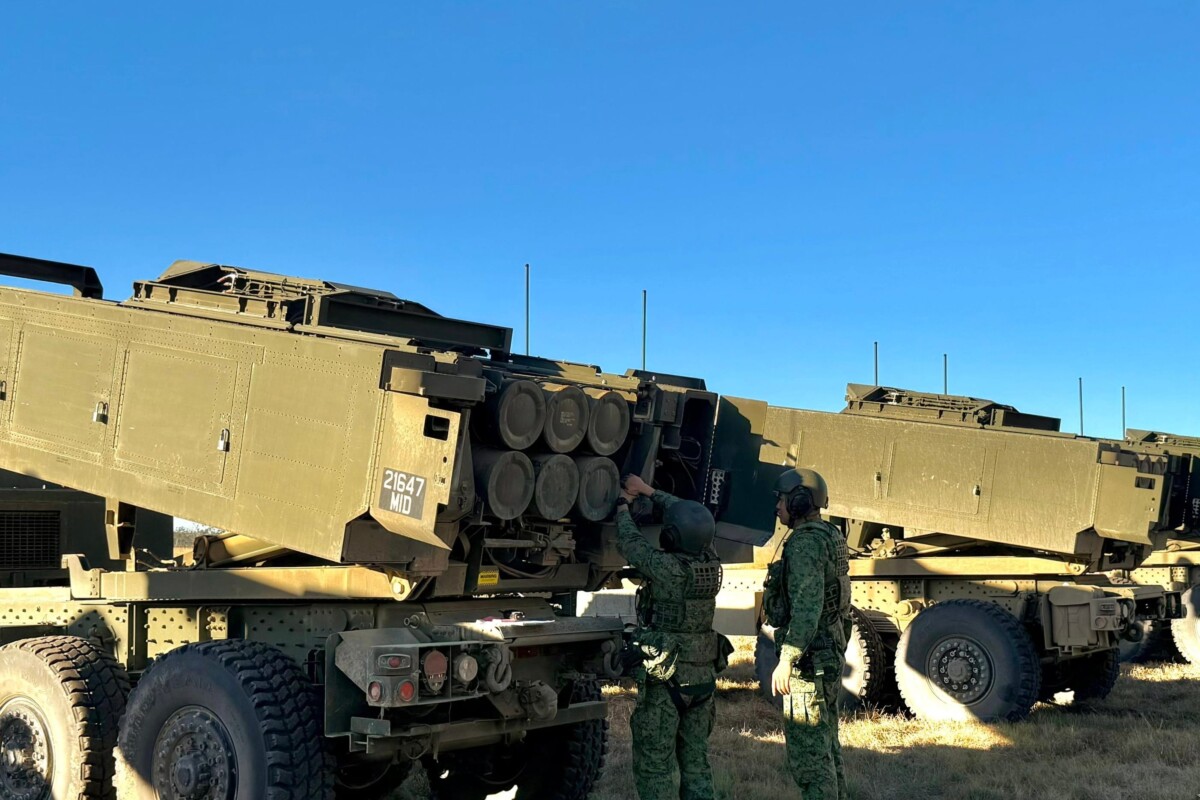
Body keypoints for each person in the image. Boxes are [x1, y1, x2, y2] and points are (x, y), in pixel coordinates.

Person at [615, 473, 728, 800]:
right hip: (703, 679)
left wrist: (623, 505)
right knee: (696, 763)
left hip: (668, 679)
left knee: (655, 766)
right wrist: (648, 490)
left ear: (672, 536)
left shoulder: (667, 569)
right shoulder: (710, 561)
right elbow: (693, 515)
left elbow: (631, 543)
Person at [763, 468, 851, 800]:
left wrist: (787, 659)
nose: (778, 507)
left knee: (810, 759)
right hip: (828, 651)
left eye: (783, 500)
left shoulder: (804, 544)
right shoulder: (829, 535)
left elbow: (807, 607)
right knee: (827, 744)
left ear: (799, 502)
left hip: (810, 662)